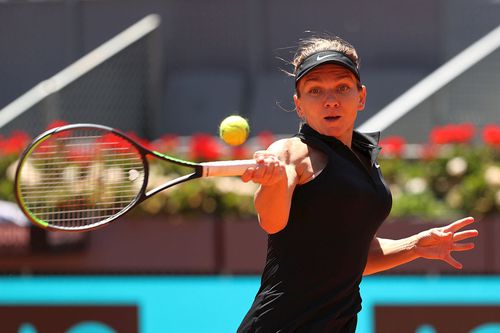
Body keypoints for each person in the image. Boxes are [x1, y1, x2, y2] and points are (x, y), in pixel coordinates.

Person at [237, 35, 479, 332]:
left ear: (360, 96)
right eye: (315, 91)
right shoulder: (291, 152)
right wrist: (273, 183)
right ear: (299, 106)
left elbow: (350, 256)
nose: (331, 99)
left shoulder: (363, 157)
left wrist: (415, 245)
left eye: (342, 87)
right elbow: (272, 221)